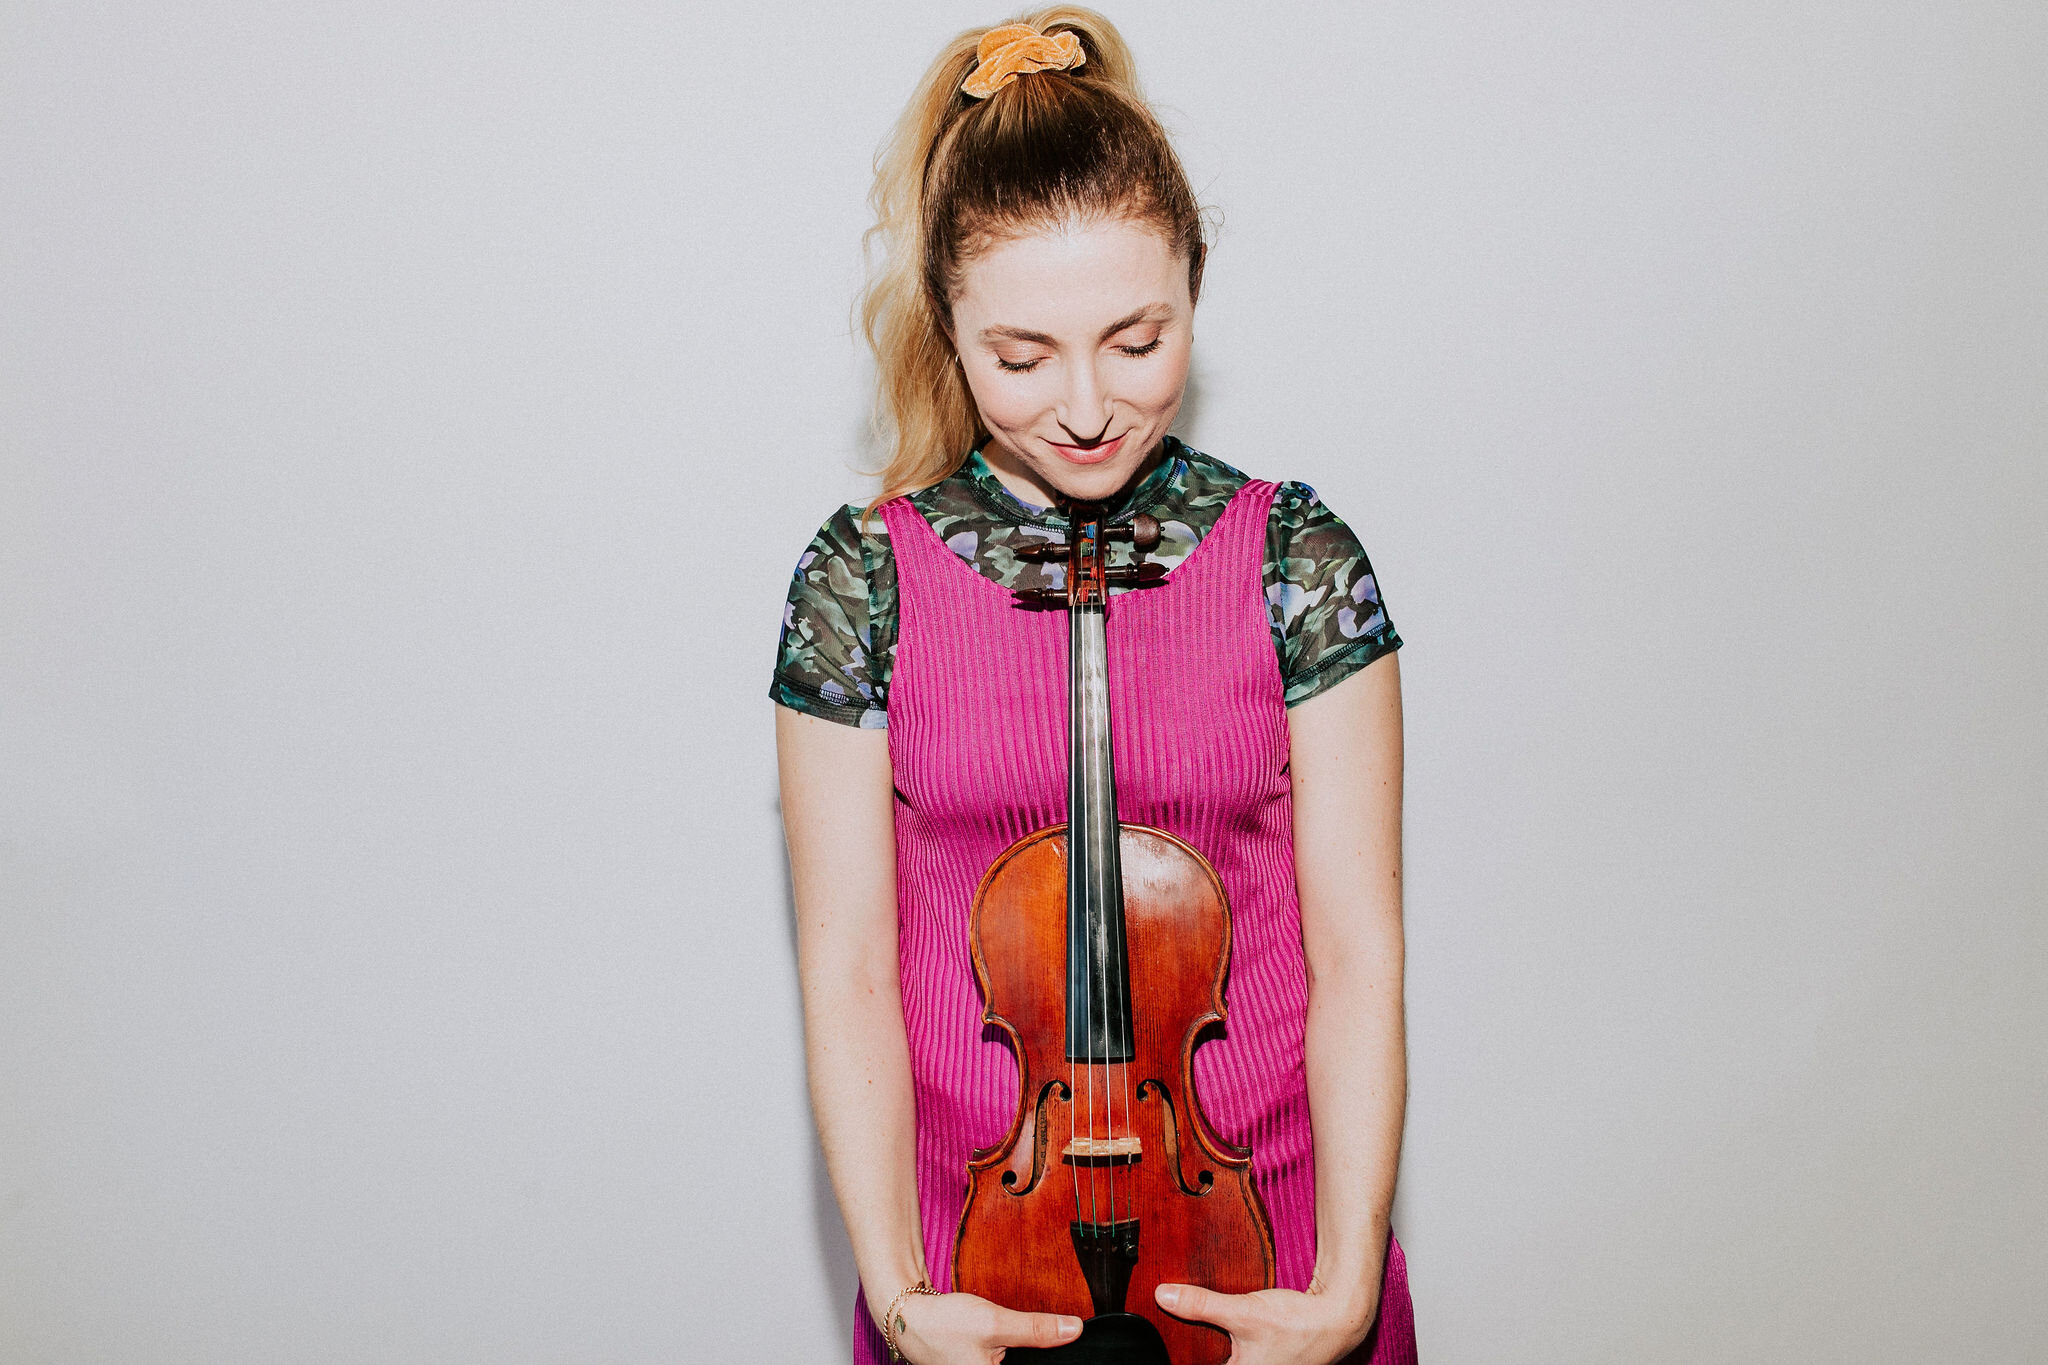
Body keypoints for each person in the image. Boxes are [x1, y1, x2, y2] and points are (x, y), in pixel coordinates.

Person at [772, 10, 1416, 1363]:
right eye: (1021, 357)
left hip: (1272, 1255)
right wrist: (899, 1293)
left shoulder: (1297, 559)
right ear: (949, 327)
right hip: (974, 1262)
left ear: (1195, 291)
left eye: (1136, 341)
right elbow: (848, 969)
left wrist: (1347, 1284)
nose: (1082, 406)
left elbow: (1358, 950)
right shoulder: (859, 582)